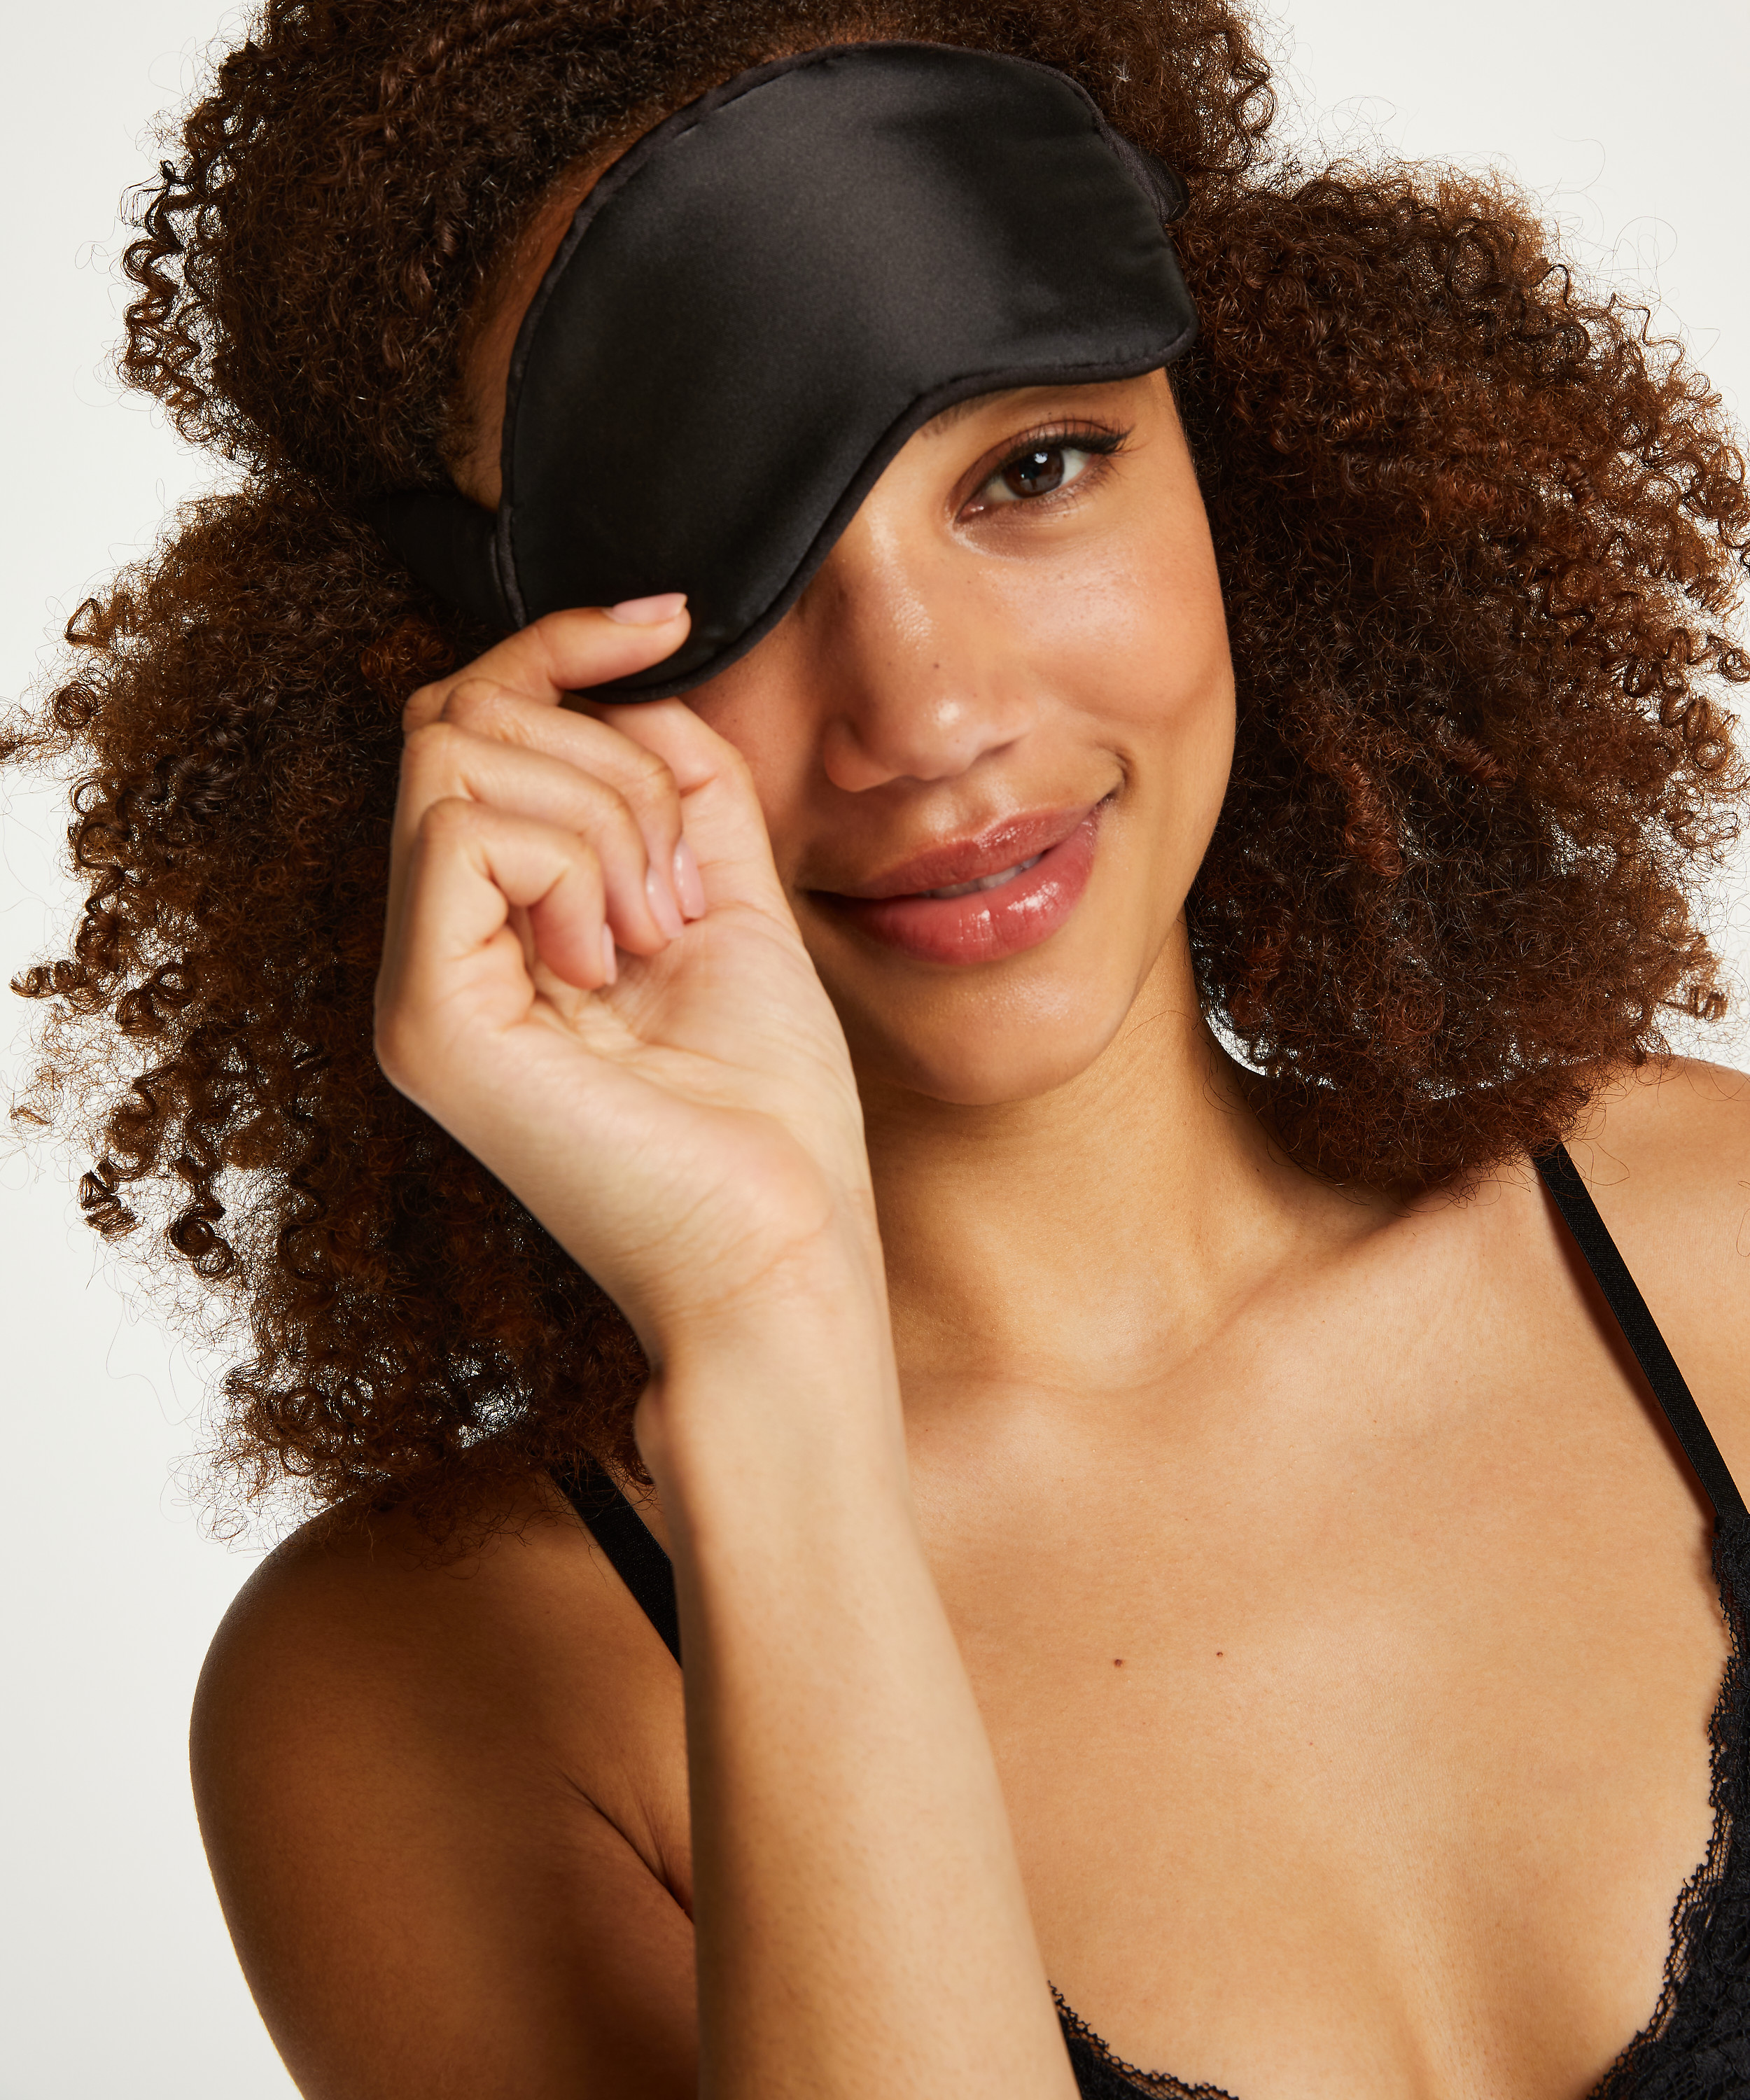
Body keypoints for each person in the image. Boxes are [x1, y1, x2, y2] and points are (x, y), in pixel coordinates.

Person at [6, 2, 1750, 2096]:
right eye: (707, 570)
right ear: (468, 688)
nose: (925, 719)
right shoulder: (427, 1695)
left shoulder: (1720, 1256)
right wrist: (766, 1346)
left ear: (1245, 449)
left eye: (1033, 469)